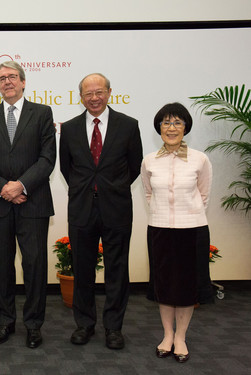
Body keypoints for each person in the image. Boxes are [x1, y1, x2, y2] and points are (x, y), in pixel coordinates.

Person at [59, 73, 143, 350]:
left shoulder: (128, 126)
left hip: (116, 208)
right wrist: (87, 188)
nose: (94, 98)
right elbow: (66, 168)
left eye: (99, 92)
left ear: (109, 93)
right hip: (82, 209)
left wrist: (110, 188)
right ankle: (84, 324)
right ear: (80, 97)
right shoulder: (69, 128)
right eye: (88, 94)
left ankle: (113, 328)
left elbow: (134, 167)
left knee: (117, 270)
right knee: (82, 270)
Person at [0, 61, 56, 349]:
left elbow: (47, 158)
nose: (7, 82)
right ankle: (5, 321)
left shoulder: (42, 113)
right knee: (2, 266)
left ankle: (34, 325)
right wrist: (3, 188)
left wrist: (20, 185)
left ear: (23, 82)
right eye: (1, 78)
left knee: (35, 265)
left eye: (11, 77)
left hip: (33, 202)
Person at [141, 102, 212, 363]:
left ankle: (181, 336)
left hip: (191, 230)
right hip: (159, 229)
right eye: (166, 123)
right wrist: (163, 214)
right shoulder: (149, 160)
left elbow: (204, 195)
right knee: (164, 284)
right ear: (159, 128)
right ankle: (167, 335)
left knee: (186, 285)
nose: (171, 128)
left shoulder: (200, 159)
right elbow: (149, 193)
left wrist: (186, 214)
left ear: (186, 128)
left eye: (177, 123)